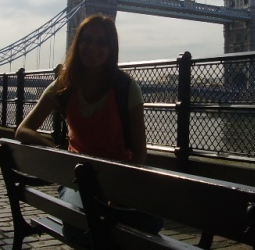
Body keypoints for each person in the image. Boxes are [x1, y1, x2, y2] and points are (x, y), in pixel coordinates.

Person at [15, 14, 161, 242]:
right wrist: (56, 150)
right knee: (81, 225)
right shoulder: (64, 85)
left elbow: (140, 153)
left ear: (112, 49)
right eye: (87, 39)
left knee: (128, 225)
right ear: (78, 43)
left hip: (118, 179)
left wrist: (117, 191)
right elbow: (24, 129)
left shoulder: (126, 88)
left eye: (102, 42)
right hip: (78, 179)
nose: (93, 47)